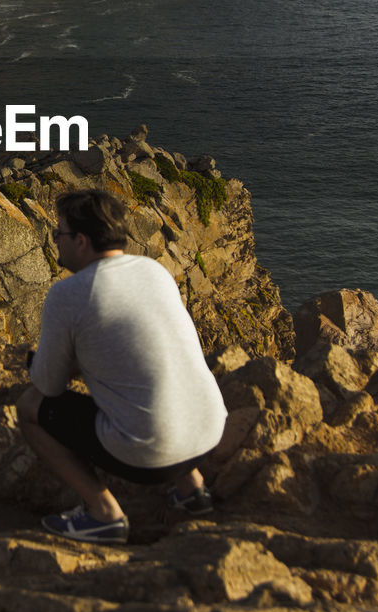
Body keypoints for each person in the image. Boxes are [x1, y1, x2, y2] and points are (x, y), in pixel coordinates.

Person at [16, 188, 227, 544]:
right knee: (149, 379)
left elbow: (49, 387)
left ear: (81, 241)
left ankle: (103, 514)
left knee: (29, 408)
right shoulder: (154, 271)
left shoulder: (69, 294)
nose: (56, 242)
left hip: (150, 454)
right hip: (209, 432)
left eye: (59, 234)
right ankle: (192, 490)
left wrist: (66, 363)